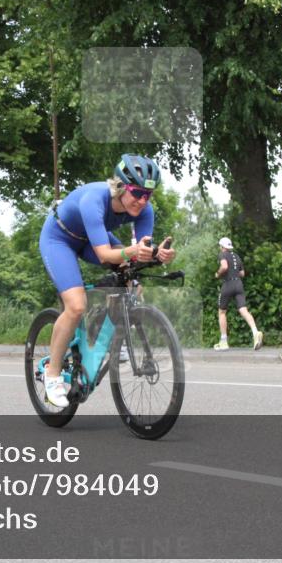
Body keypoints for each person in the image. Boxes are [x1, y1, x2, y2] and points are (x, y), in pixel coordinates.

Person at [38, 154, 175, 407]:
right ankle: (53, 374)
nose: (142, 200)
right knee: (76, 306)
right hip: (60, 239)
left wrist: (157, 254)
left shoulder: (145, 211)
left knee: (132, 281)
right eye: (137, 193)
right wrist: (134, 252)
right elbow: (104, 255)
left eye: (148, 195)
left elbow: (141, 252)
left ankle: (117, 335)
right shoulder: (94, 199)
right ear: (120, 187)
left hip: (89, 239)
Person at [213, 237, 263, 351]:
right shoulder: (237, 256)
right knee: (243, 310)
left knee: (222, 312)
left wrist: (218, 274)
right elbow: (242, 273)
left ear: (222, 247)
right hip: (238, 284)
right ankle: (255, 332)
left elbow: (224, 266)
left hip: (228, 284)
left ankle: (223, 341)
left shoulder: (223, 254)